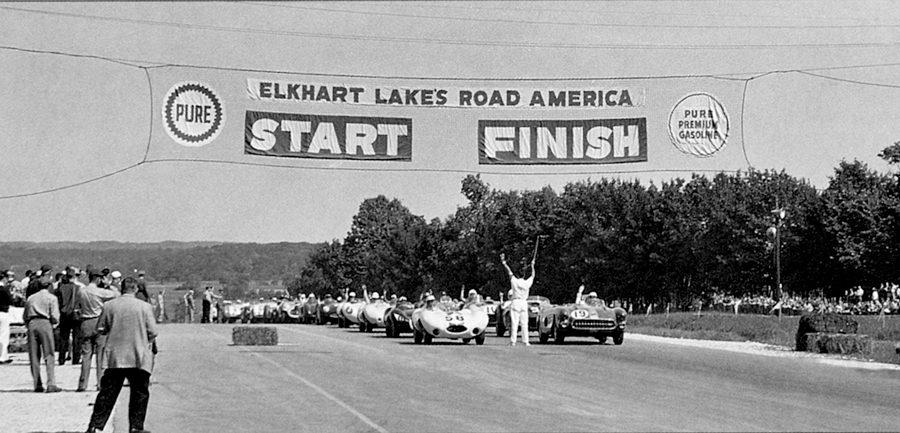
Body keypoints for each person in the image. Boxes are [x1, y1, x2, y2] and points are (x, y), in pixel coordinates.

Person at [85, 277, 157, 433]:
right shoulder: (144, 307)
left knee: (108, 393)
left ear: (122, 288)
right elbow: (153, 331)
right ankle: (136, 426)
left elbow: (101, 328)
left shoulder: (109, 306)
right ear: (136, 289)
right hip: (137, 355)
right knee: (139, 393)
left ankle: (96, 426)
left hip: (115, 356)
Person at [76, 267, 119, 392]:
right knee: (100, 355)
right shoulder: (99, 292)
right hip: (98, 321)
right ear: (98, 279)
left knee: (86, 355)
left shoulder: (81, 291)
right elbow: (117, 295)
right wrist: (108, 284)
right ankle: (100, 382)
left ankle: (82, 383)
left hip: (85, 322)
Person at [24, 277, 61, 392]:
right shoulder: (51, 298)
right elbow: (55, 315)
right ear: (49, 285)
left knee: (34, 355)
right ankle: (51, 383)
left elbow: (25, 315)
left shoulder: (31, 298)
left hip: (32, 323)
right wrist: (54, 324)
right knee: (49, 354)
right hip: (45, 322)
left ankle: (37, 383)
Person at [500, 250, 536, 347]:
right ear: (524, 275)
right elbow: (533, 275)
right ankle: (526, 341)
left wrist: (504, 263)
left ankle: (513, 341)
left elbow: (509, 272)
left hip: (515, 301)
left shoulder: (514, 281)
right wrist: (532, 266)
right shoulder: (527, 283)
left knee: (514, 322)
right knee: (525, 323)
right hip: (524, 302)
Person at [55, 267, 83, 366]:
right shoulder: (79, 288)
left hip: (64, 314)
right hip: (75, 314)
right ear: (74, 277)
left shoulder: (60, 288)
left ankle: (61, 358)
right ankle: (76, 358)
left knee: (64, 338)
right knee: (77, 338)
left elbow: (58, 302)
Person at [0, 270, 14, 364]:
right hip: (3, 312)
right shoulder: (4, 289)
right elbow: (10, 300)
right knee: (3, 336)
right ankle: (2, 356)